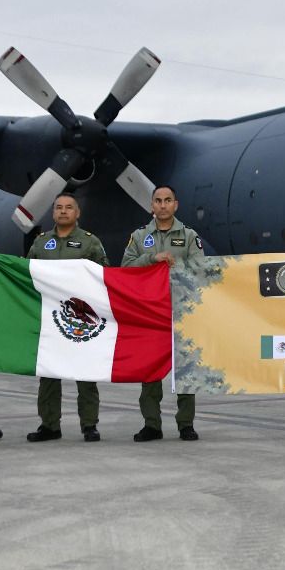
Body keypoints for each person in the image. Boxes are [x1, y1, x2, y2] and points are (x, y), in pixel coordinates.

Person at [122, 184, 207, 441]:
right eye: (158, 200)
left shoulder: (189, 236)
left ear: (175, 205)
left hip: (182, 311)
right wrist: (151, 259)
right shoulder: (139, 237)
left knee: (185, 370)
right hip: (150, 313)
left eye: (168, 200)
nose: (163, 205)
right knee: (150, 371)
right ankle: (152, 424)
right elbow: (126, 267)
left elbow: (200, 269)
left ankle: (186, 424)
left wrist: (176, 264)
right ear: (151, 205)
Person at [26, 193, 109, 443]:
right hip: (50, 319)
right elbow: (26, 274)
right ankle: (49, 425)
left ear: (77, 212)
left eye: (69, 207)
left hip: (81, 318)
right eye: (59, 207)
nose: (63, 211)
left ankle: (89, 425)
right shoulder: (41, 243)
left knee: (86, 374)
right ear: (53, 213)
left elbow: (105, 275)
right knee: (49, 375)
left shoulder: (90, 243)